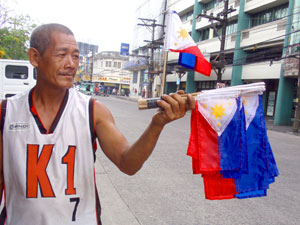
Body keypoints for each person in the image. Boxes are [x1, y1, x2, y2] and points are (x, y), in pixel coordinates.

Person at [0, 23, 195, 225]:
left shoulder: (93, 111)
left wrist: (157, 124)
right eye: (61, 54)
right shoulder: (6, 112)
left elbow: (128, 164)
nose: (71, 64)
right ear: (35, 57)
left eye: (75, 56)